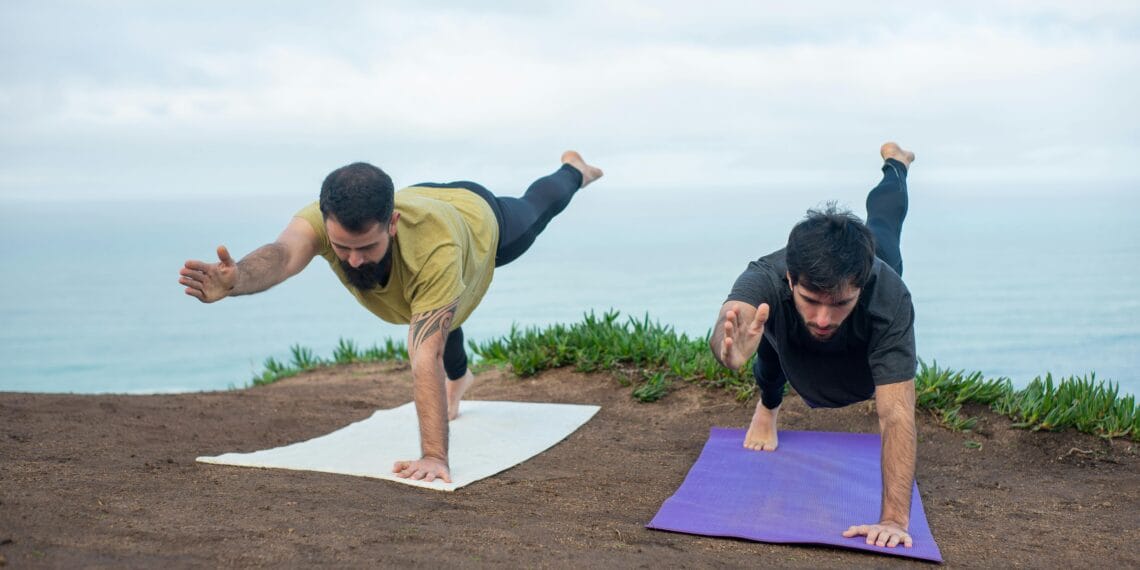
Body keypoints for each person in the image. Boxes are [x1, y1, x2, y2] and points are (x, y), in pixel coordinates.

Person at [179, 151, 603, 484]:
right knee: (429, 311)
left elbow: (424, 356)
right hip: (424, 204)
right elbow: (284, 254)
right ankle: (462, 380)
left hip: (477, 218)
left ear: (392, 224)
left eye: (367, 246)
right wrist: (235, 281)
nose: (354, 259)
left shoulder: (434, 252)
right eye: (342, 247)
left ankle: (575, 170)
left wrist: (434, 456)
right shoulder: (323, 221)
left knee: (537, 208)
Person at [709, 142, 918, 549]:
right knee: (767, 338)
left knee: (885, 225)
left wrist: (893, 519)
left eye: (839, 303)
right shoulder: (768, 275)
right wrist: (725, 349)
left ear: (861, 286)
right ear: (790, 278)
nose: (823, 318)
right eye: (811, 300)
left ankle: (897, 164)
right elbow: (729, 318)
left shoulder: (888, 296)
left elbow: (896, 415)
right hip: (784, 340)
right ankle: (768, 407)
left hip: (859, 361)